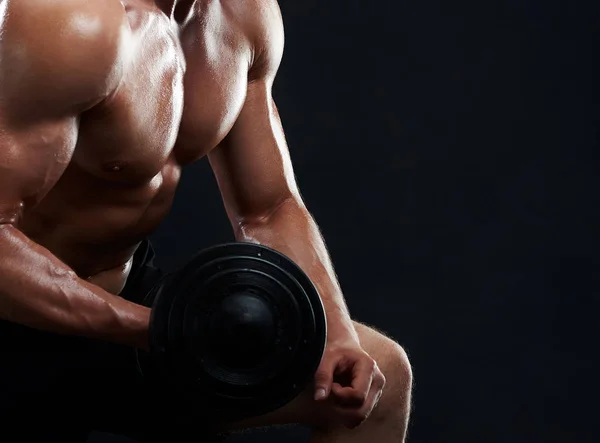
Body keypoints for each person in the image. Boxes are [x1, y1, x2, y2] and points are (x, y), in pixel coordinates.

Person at [0, 0, 412, 441]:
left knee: (379, 374)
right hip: (17, 319)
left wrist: (337, 334)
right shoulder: (67, 20)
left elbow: (269, 207)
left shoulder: (241, 16)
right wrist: (155, 327)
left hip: (127, 307)